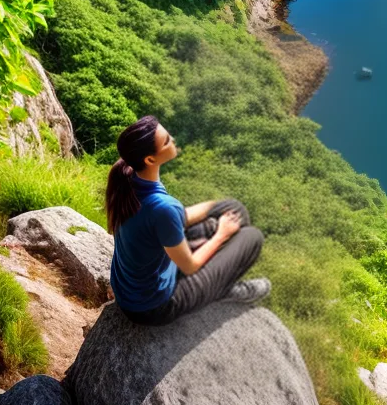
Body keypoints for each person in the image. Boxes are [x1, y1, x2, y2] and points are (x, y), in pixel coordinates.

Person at [106, 115, 271, 325]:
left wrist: (217, 207)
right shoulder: (163, 208)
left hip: (130, 290)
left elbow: (176, 217)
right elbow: (190, 267)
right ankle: (223, 290)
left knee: (234, 209)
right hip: (153, 307)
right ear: (150, 159)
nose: (172, 139)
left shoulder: (130, 179)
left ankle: (217, 266)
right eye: (166, 140)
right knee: (252, 236)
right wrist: (221, 234)